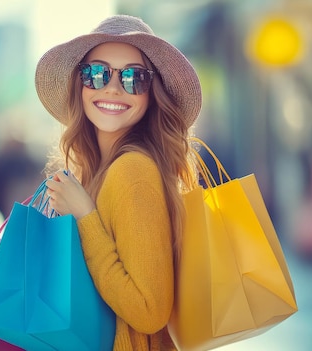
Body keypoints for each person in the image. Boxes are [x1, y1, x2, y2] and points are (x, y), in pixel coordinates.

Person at [37, 15, 202, 350]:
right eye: (96, 73)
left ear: (151, 94)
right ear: (79, 84)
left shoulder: (133, 171)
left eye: (134, 78)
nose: (112, 87)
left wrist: (85, 216)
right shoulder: (103, 169)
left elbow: (149, 312)